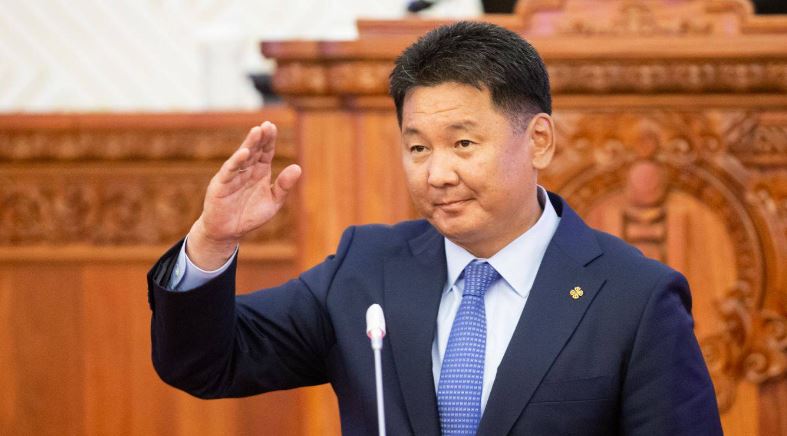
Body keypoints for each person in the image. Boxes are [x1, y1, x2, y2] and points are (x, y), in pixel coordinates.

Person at [148, 21, 722, 435]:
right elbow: (205, 363)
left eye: (463, 143)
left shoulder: (634, 298)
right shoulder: (365, 268)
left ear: (539, 141)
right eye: (418, 148)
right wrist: (214, 240)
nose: (438, 173)